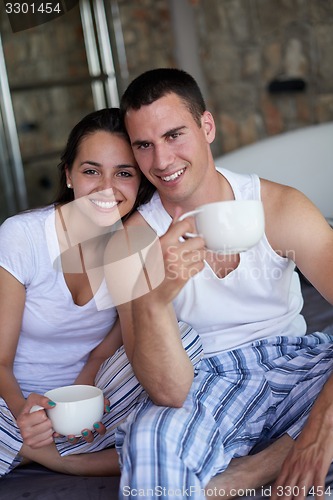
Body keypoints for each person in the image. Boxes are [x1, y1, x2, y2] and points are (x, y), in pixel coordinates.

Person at [113, 68, 333, 499]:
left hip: (298, 367)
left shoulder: (280, 207)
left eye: (175, 135)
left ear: (207, 127)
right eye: (144, 145)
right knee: (150, 442)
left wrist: (321, 429)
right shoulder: (131, 244)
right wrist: (156, 298)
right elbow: (167, 390)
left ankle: (257, 470)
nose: (161, 161)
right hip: (202, 384)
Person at [0, 107, 166, 477]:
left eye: (124, 173)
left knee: (183, 342)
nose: (107, 188)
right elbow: (0, 362)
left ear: (140, 183)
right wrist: (25, 415)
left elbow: (123, 332)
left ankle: (40, 452)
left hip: (94, 396)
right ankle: (58, 453)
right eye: (91, 171)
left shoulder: (135, 242)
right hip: (15, 399)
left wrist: (89, 378)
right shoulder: (22, 236)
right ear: (69, 175)